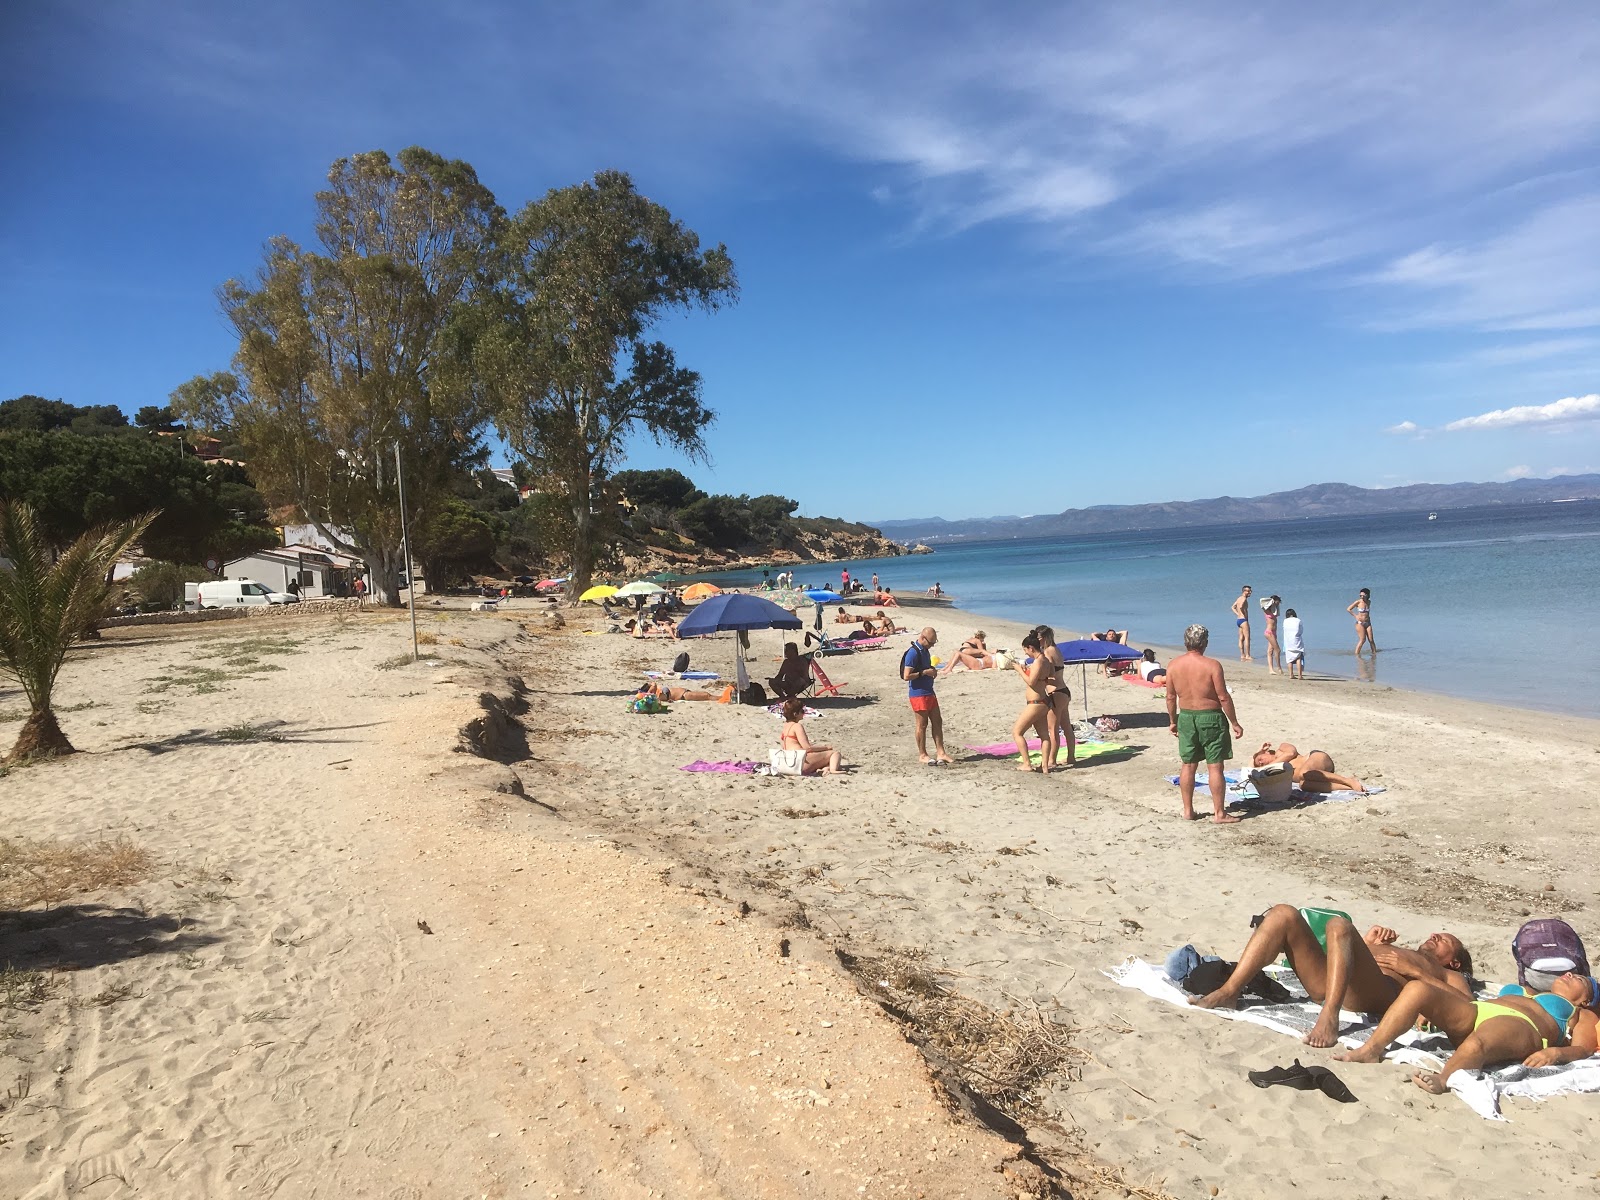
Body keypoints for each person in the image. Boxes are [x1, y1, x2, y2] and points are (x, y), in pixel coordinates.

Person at [1192, 906, 1473, 1048]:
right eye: (1436, 934)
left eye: (1445, 939)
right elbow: (1346, 955)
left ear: (1455, 960)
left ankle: (1329, 1016)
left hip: (1376, 994)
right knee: (1283, 913)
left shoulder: (1447, 974)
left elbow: (1468, 1008)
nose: (1435, 936)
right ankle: (1229, 991)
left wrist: (1418, 973)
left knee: (1339, 924)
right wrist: (1365, 942)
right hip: (1331, 979)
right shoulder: (1400, 948)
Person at [1331, 971, 1599, 1094]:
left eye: (1579, 979)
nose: (1569, 974)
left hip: (1522, 1027)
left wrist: (1555, 1052)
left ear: (1585, 1000)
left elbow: (1585, 1048)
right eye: (1570, 973)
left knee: (1475, 1044)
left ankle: (1443, 1080)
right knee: (1417, 990)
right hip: (1478, 1010)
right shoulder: (1530, 990)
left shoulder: (1580, 1013)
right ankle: (1370, 1049)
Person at [1165, 624, 1244, 824]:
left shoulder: (1173, 665)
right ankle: (1219, 813)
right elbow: (1223, 696)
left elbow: (1170, 697)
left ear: (1185, 642)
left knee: (1188, 764)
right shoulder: (1212, 665)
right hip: (1210, 716)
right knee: (1215, 766)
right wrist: (1234, 722)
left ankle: (1188, 810)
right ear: (1205, 643)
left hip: (1186, 717)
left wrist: (1173, 721)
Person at [901, 627, 952, 765]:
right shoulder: (913, 653)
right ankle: (922, 754)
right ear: (923, 638)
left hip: (929, 691)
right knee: (922, 724)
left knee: (937, 721)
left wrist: (932, 671)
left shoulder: (926, 651)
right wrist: (924, 673)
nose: (932, 645)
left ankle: (941, 753)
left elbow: (926, 667)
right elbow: (906, 676)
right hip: (918, 694)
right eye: (931, 642)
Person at [1008, 632, 1053, 772]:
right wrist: (1028, 670)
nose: (1026, 653)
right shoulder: (1046, 660)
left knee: (1017, 732)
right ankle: (1044, 766)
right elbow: (1048, 677)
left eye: (1025, 650)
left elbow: (1032, 682)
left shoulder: (1039, 661)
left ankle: (1027, 763)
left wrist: (1019, 671)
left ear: (1031, 648)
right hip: (1043, 701)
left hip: (1036, 702)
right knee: (1044, 735)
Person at [1033, 625, 1075, 770]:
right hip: (1064, 690)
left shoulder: (1048, 652)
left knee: (1053, 729)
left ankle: (1052, 760)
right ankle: (1071, 756)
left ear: (1043, 638)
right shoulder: (1057, 650)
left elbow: (1049, 675)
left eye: (1038, 638)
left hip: (1055, 692)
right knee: (1066, 727)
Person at [1251, 742, 1366, 793]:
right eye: (1261, 765)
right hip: (1311, 775)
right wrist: (1258, 755)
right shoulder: (1272, 770)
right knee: (1303, 785)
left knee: (1304, 773)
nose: (1262, 764)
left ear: (1267, 752)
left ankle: (1347, 780)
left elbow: (1291, 753)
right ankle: (1349, 786)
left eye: (1260, 759)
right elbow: (1250, 770)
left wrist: (1261, 754)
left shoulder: (1281, 748)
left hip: (1315, 758)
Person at [779, 697, 843, 775]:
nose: (804, 713)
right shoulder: (797, 726)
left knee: (823, 759)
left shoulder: (785, 726)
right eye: (802, 711)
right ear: (795, 714)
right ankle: (833, 770)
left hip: (788, 762)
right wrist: (826, 747)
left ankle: (825, 769)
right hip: (800, 762)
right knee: (834, 754)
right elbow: (807, 748)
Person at [1348, 587, 1377, 655]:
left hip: (1368, 623)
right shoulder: (1358, 602)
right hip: (1360, 623)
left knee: (1371, 640)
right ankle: (1357, 655)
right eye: (1360, 595)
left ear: (1367, 595)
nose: (1361, 597)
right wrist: (1356, 616)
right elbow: (1348, 609)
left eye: (1363, 595)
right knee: (1363, 640)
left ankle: (1374, 655)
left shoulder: (1369, 602)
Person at [640, 681, 730, 702]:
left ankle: (725, 697)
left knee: (707, 695)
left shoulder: (655, 693)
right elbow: (654, 685)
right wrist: (651, 685)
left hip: (684, 692)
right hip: (683, 695)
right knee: (707, 696)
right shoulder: (651, 695)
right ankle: (725, 698)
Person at [1282, 607, 1305, 680]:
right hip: (1297, 641)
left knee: (1289, 659)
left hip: (1288, 642)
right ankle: (1300, 675)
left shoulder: (1285, 621)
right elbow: (1301, 631)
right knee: (1298, 658)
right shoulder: (1298, 620)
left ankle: (1291, 674)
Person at [1261, 595, 1282, 674]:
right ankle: (1279, 668)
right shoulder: (1267, 611)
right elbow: (1262, 601)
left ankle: (1271, 669)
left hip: (1274, 633)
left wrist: (1276, 604)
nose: (1278, 604)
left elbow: (1277, 612)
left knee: (1270, 651)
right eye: (1277, 602)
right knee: (1278, 650)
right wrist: (1272, 600)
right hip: (1269, 632)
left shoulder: (1274, 611)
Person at [1231, 585, 1253, 661]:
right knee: (1247, 638)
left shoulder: (1239, 598)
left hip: (1239, 620)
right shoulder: (1243, 599)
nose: (1250, 592)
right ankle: (1248, 655)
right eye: (1249, 591)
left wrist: (1238, 614)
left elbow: (1233, 607)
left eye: (1250, 591)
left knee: (1241, 638)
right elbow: (1240, 606)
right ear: (1244, 591)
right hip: (1243, 620)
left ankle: (1242, 655)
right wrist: (1243, 613)